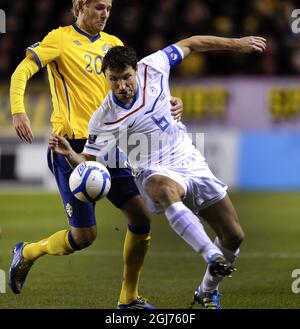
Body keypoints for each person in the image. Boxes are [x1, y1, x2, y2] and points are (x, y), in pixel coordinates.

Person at [49, 34, 266, 308]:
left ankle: (206, 291)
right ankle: (211, 254)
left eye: (126, 77)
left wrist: (237, 44)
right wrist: (70, 154)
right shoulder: (104, 118)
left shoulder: (155, 66)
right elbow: (88, 163)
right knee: (163, 190)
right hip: (152, 170)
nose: (121, 85)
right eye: (113, 79)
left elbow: (193, 43)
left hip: (189, 159)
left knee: (234, 235)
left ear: (136, 69)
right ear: (105, 77)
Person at [8, 0, 184, 309]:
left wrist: (169, 102)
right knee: (84, 236)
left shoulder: (113, 45)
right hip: (70, 145)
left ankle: (128, 298)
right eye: (98, 7)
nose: (104, 14)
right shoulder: (58, 39)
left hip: (109, 145)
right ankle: (28, 253)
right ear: (79, 6)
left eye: (109, 9)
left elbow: (138, 85)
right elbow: (21, 72)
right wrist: (19, 112)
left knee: (141, 218)